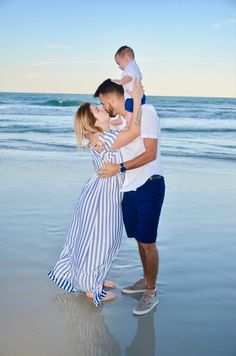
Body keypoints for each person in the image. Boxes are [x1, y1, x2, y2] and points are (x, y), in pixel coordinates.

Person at [48, 81, 143, 307]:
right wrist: (137, 99)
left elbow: (124, 127)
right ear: (93, 122)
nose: (102, 109)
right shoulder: (107, 140)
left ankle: (93, 279)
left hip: (99, 193)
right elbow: (136, 131)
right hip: (103, 197)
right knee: (102, 240)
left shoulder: (101, 138)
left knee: (95, 239)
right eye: (98, 110)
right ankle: (91, 288)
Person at [93, 79, 165, 316]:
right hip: (128, 189)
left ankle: (151, 291)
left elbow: (150, 153)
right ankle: (145, 280)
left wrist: (120, 168)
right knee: (138, 240)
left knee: (148, 242)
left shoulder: (148, 113)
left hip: (149, 186)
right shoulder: (121, 122)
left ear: (112, 99)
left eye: (103, 102)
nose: (103, 107)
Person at [110, 45, 146, 130]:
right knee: (123, 105)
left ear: (126, 59)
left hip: (132, 97)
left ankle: (128, 124)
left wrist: (120, 81)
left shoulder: (131, 67)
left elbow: (129, 77)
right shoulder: (133, 66)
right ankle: (121, 119)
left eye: (119, 63)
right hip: (134, 96)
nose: (119, 66)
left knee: (129, 109)